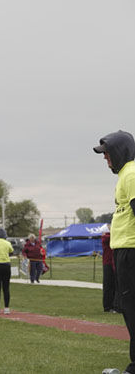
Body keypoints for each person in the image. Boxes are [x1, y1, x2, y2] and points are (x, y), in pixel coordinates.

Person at [94, 130, 135, 374]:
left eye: (107, 153)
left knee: (132, 309)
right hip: (126, 250)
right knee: (129, 308)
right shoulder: (126, 174)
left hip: (131, 251)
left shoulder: (131, 173)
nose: (105, 158)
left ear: (121, 151)